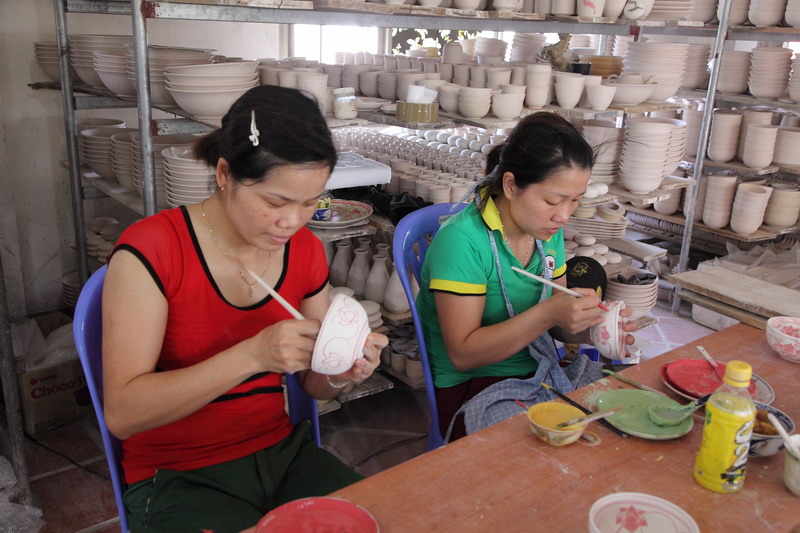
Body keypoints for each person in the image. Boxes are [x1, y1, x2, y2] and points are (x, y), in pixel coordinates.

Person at [102, 85, 388, 532]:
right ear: (223, 173)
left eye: (310, 202)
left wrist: (340, 369)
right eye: (275, 202)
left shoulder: (304, 251)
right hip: (179, 474)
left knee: (381, 519)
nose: (291, 222)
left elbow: (314, 385)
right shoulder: (152, 250)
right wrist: (252, 356)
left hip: (281, 454)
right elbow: (123, 414)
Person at [416, 112, 635, 441]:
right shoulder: (462, 242)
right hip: (471, 388)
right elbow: (463, 354)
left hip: (538, 369)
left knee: (620, 420)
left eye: (574, 201)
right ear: (510, 184)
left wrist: (594, 329)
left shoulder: (546, 231)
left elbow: (558, 324)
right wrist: (548, 313)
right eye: (552, 200)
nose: (563, 215)